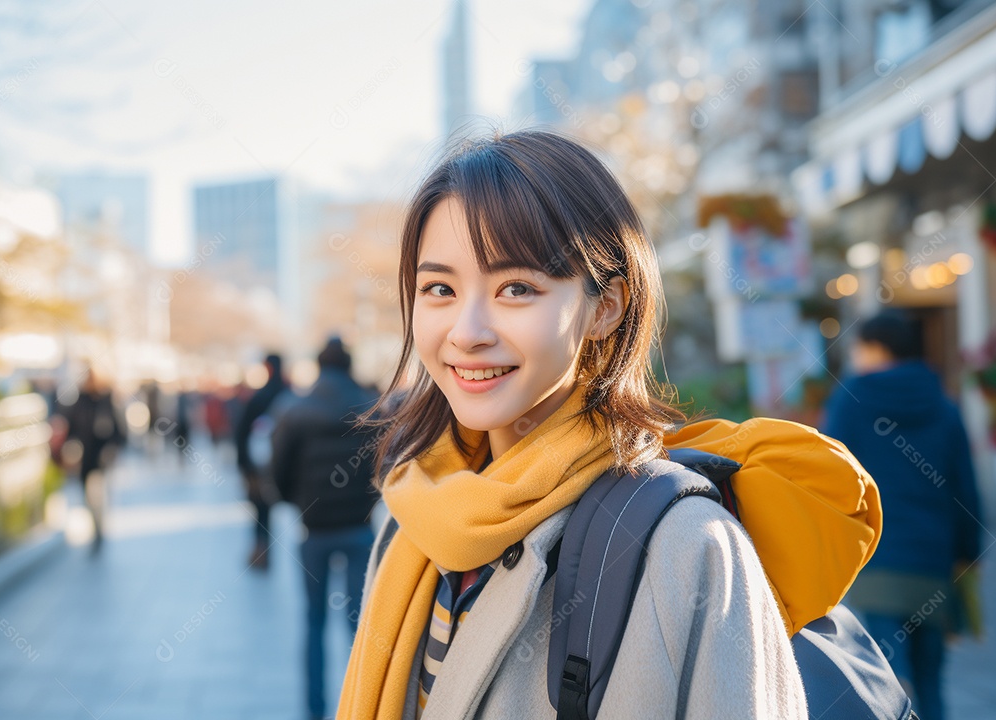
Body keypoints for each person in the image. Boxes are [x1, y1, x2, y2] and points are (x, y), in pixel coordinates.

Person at [335, 131, 840, 719]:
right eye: (439, 288)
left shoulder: (686, 546)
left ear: (606, 307)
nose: (467, 332)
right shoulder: (413, 522)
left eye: (516, 288)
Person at [823, 311, 982, 720]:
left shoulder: (852, 398)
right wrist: (968, 554)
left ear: (877, 348)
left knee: (885, 682)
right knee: (930, 681)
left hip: (877, 559)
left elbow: (829, 474)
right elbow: (965, 489)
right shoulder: (943, 403)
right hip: (934, 562)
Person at [270, 336, 379, 720]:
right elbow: (384, 466)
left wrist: (297, 503)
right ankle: (358, 705)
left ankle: (314, 710)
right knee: (358, 623)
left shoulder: (296, 410)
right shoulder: (370, 406)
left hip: (314, 531)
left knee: (313, 621)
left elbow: (277, 470)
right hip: (359, 528)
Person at [60, 368, 124, 552]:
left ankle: (99, 531)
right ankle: (96, 527)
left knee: (97, 495)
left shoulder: (106, 401)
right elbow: (70, 427)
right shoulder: (78, 401)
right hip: (84, 459)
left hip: (100, 459)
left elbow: (118, 430)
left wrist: (111, 449)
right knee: (88, 498)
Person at [235, 353, 286, 569]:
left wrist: (244, 465)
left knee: (259, 510)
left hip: (257, 467)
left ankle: (260, 550)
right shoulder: (288, 396)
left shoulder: (258, 398)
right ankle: (264, 551)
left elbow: (241, 433)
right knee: (268, 509)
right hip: (280, 465)